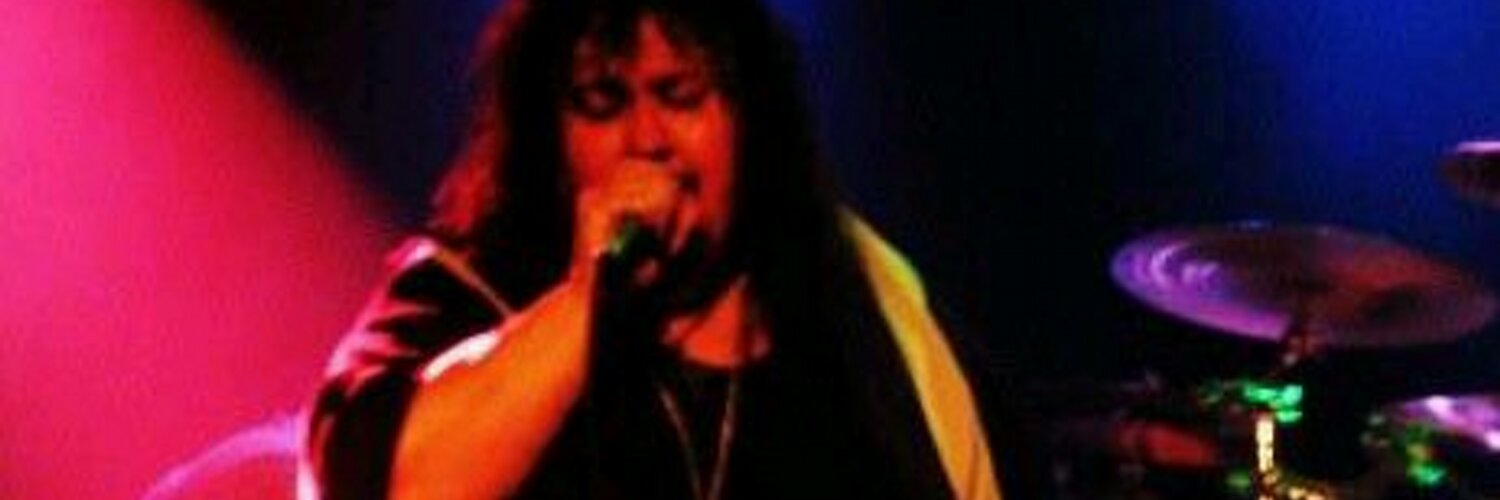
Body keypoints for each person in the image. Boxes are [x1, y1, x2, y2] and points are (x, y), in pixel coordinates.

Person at [301, 0, 1000, 498]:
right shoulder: (461, 293)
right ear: (551, 131)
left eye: (680, 95)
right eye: (603, 103)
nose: (647, 139)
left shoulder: (862, 303)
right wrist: (587, 298)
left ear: (748, 117)